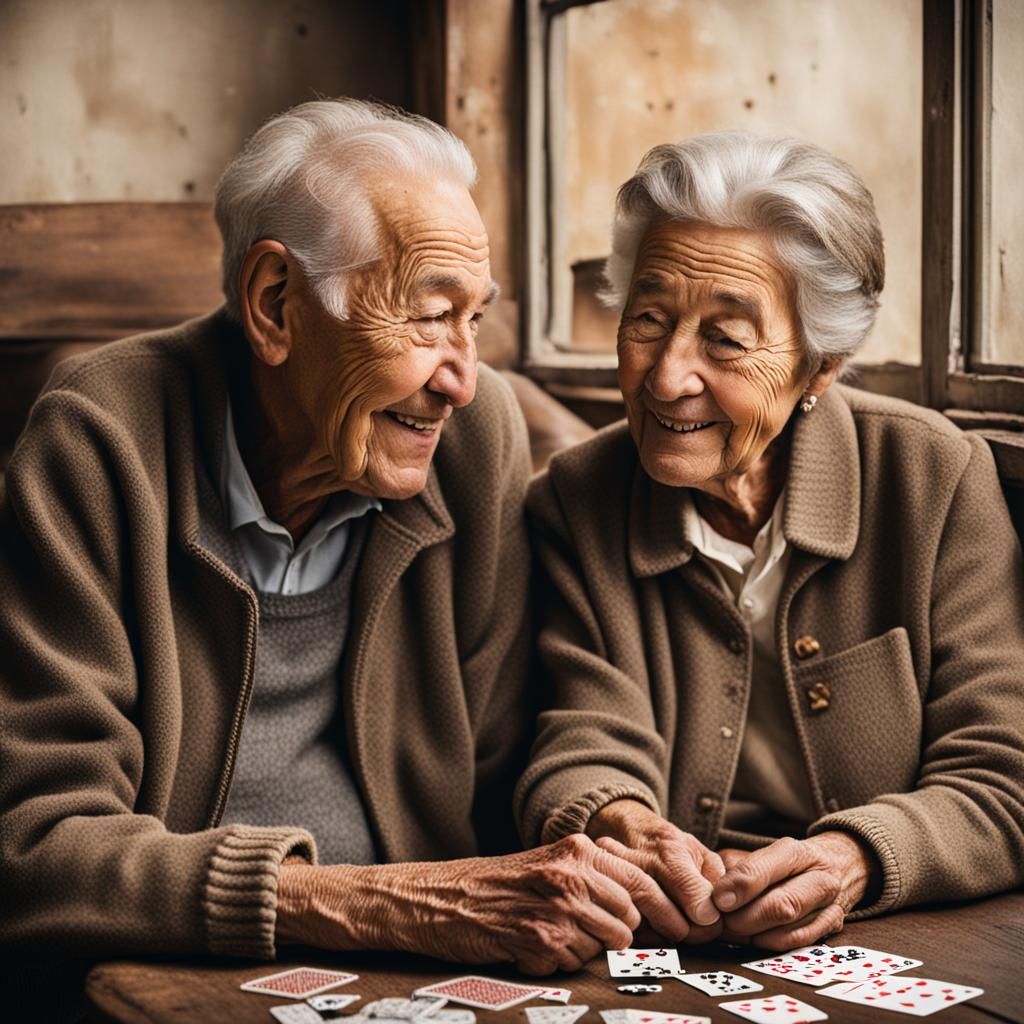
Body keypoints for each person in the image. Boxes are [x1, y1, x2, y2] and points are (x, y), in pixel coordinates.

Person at [0, 100, 687, 1009]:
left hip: (418, 984)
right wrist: (380, 905)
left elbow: (522, 740)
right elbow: (37, 845)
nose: (461, 380)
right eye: (429, 318)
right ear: (276, 304)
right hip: (156, 983)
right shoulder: (98, 443)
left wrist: (605, 816)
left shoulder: (476, 445)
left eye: (474, 319)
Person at [518, 130, 1024, 952]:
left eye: (725, 338)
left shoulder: (931, 477)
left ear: (819, 366)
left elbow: (1004, 777)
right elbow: (581, 736)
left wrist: (853, 857)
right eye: (648, 318)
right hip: (668, 935)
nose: (666, 375)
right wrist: (623, 823)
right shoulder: (577, 501)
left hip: (906, 931)